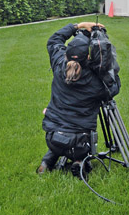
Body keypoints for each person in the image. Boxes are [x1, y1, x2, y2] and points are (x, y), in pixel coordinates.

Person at [37, 22, 119, 177]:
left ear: (66, 53)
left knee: (61, 139)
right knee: (78, 144)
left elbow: (54, 41)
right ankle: (79, 162)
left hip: (52, 137)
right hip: (80, 142)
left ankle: (47, 162)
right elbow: (114, 89)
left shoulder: (59, 64)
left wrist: (77, 26)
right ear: (89, 56)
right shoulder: (96, 83)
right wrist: (107, 67)